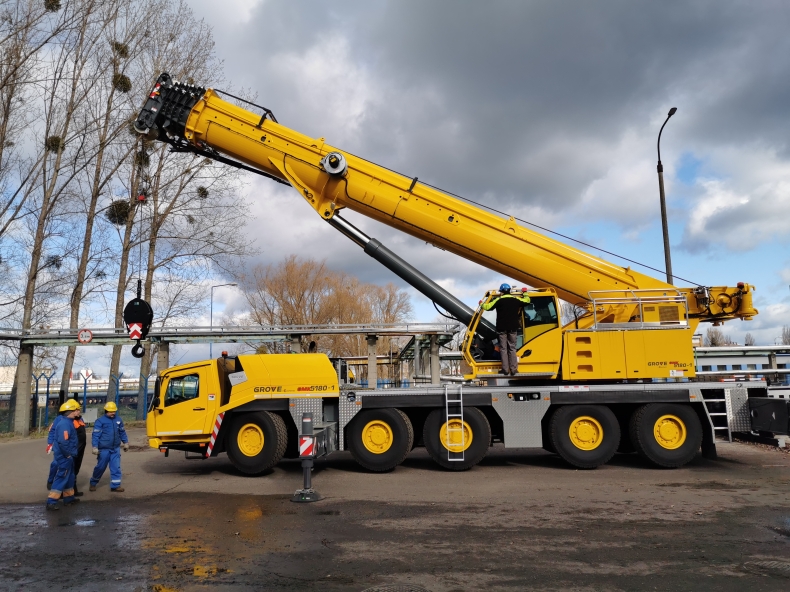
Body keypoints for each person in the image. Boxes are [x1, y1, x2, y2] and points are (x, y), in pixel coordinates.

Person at [482, 283, 530, 375]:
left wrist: (481, 303)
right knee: (512, 348)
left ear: (501, 292)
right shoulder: (515, 299)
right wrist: (525, 293)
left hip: (501, 329)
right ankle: (513, 369)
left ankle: (505, 369)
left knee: (503, 348)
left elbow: (487, 307)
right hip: (513, 328)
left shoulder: (498, 300)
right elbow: (527, 301)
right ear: (509, 291)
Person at [46, 399, 81, 510]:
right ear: (72, 411)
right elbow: (63, 442)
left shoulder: (67, 422)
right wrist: (68, 455)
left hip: (68, 456)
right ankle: (51, 502)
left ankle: (69, 498)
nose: (78, 412)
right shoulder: (65, 424)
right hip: (65, 456)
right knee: (62, 477)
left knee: (70, 477)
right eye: (77, 410)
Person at [89, 401, 129, 493]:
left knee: (116, 467)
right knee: (100, 467)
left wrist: (125, 442)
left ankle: (115, 486)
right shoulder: (100, 421)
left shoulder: (118, 420)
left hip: (115, 448)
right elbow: (96, 435)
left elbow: (122, 432)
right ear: (106, 411)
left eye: (114, 411)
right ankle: (93, 482)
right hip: (103, 449)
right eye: (111, 411)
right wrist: (95, 447)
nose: (113, 413)